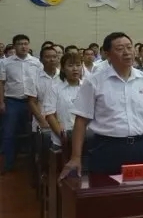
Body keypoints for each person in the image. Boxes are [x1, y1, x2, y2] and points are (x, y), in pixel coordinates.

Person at [60, 32, 143, 177]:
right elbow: (81, 121)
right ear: (107, 54)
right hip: (107, 148)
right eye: (120, 49)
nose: (127, 53)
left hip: (141, 147)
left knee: (140, 189)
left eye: (129, 47)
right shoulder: (94, 81)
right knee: (105, 189)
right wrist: (75, 157)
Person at [0, 34, 43, 174]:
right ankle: (8, 164)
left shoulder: (36, 62)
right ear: (14, 46)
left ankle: (31, 164)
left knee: (33, 133)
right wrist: (1, 102)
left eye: (25, 43)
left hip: (32, 102)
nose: (23, 46)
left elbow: (41, 82)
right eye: (20, 44)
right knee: (9, 133)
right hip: (12, 101)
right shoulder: (5, 62)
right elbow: (1, 83)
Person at [42, 53, 83, 152]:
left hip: (85, 138)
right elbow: (49, 115)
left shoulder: (87, 87)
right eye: (70, 65)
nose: (75, 69)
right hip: (61, 140)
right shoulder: (54, 88)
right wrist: (63, 136)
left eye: (78, 65)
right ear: (63, 69)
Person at [26, 45, 60, 135]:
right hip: (43, 120)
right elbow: (32, 102)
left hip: (62, 119)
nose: (52, 59)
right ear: (41, 60)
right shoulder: (34, 77)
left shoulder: (63, 76)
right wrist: (42, 120)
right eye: (48, 57)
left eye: (54, 57)